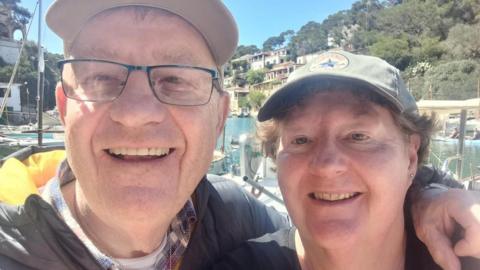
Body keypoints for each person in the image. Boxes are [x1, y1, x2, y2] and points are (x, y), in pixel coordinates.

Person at [0, 1, 478, 270]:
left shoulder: (230, 219)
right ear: (63, 108)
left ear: (221, 115)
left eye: (175, 79)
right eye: (102, 77)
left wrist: (428, 197)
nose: (137, 113)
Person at [212, 51, 480, 270]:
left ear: (411, 158)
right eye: (301, 140)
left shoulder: (466, 254)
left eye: (358, 136)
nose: (327, 165)